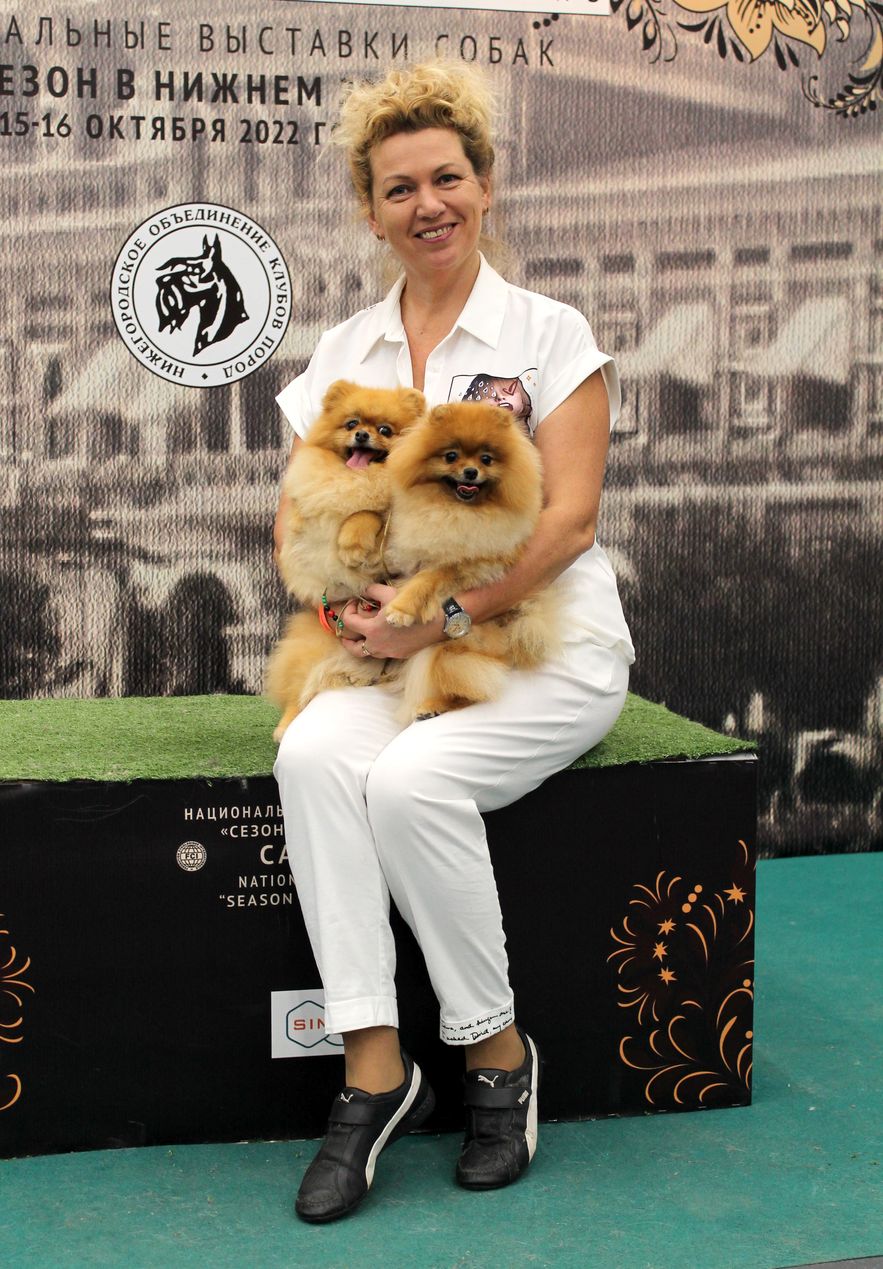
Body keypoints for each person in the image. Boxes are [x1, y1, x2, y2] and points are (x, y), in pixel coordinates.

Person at [272, 61, 635, 1223]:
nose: (426, 204)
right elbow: (295, 517)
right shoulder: (343, 354)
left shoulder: (549, 334)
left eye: (446, 178)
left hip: (541, 648)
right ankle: (373, 1069)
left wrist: (447, 618)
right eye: (399, 188)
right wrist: (342, 613)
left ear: (484, 186)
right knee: (312, 754)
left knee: (412, 781)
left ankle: (493, 1054)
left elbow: (567, 524)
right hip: (395, 655)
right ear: (369, 211)